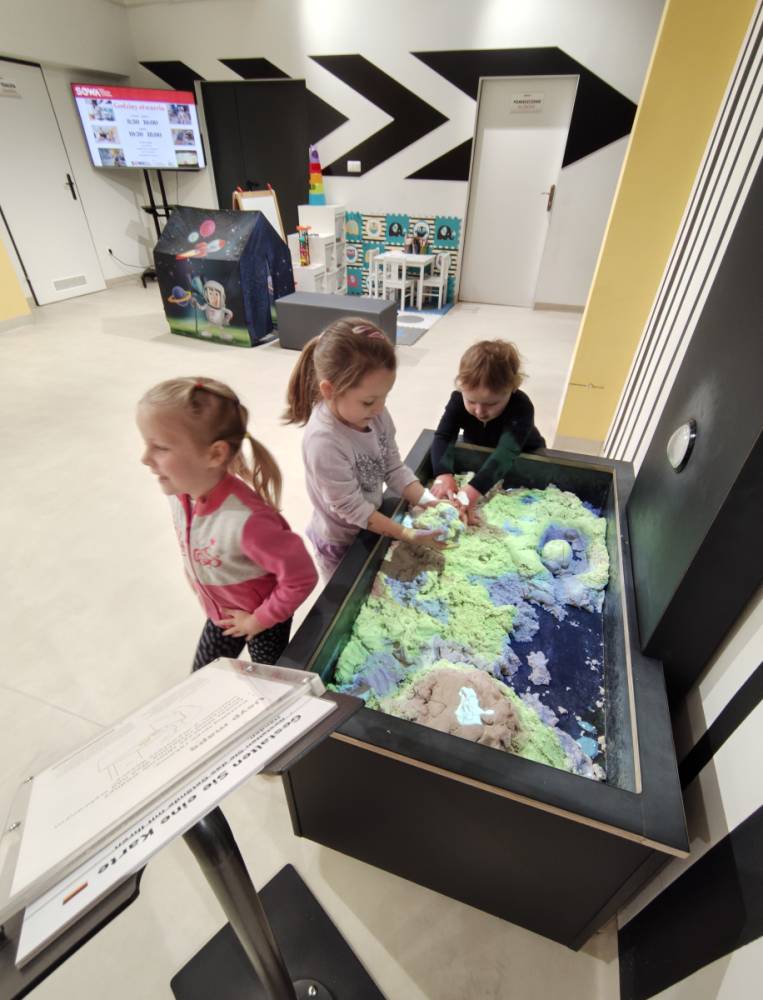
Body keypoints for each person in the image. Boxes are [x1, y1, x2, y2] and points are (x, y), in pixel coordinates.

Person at [137, 377, 318, 671]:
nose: (145, 458)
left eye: (160, 447)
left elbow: (301, 577)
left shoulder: (248, 521)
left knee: (270, 679)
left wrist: (258, 620)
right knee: (204, 676)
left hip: (263, 620)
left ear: (215, 454)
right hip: (221, 613)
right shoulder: (180, 495)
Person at [284, 318, 445, 578]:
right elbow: (353, 509)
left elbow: (393, 468)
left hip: (371, 519)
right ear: (329, 390)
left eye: (385, 396)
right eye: (369, 401)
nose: (380, 408)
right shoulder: (324, 442)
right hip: (339, 540)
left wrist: (429, 501)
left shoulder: (373, 413)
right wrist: (408, 534)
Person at [430, 340, 546, 522]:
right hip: (479, 449)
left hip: (524, 453)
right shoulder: (458, 400)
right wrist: (443, 474)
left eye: (491, 403)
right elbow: (443, 436)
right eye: (471, 401)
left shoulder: (521, 407)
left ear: (512, 389)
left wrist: (472, 491)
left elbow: (505, 453)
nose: (479, 411)